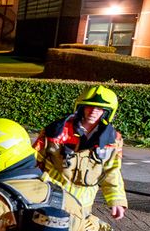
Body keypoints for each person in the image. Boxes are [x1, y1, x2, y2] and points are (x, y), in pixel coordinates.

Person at [34, 84, 127, 221]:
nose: (93, 111)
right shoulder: (56, 132)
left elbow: (112, 170)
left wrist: (117, 201)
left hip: (83, 205)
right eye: (89, 106)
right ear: (81, 107)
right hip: (51, 197)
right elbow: (33, 160)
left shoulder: (113, 139)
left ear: (107, 112)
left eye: (99, 108)